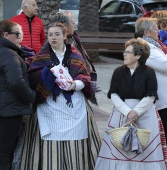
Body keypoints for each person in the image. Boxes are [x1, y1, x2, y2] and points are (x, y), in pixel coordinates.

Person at [20, 22, 101, 170]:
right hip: (49, 103)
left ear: (65, 36)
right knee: (51, 143)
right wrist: (47, 76)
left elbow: (85, 78)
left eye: (57, 34)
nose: (53, 37)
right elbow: (32, 77)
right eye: (50, 35)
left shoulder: (75, 54)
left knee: (75, 140)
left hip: (73, 104)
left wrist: (75, 84)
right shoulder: (42, 56)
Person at [95, 38, 166, 170]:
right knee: (118, 150)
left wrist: (136, 112)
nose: (124, 54)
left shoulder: (149, 72)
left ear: (138, 55)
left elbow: (150, 95)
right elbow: (114, 94)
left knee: (145, 150)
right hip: (121, 114)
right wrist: (128, 112)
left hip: (145, 115)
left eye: (128, 52)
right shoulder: (119, 72)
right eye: (125, 51)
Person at [0, 20, 36, 170]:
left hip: (5, 106)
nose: (21, 38)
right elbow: (16, 82)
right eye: (18, 34)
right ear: (6, 35)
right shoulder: (8, 54)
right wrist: (32, 97)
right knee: (6, 149)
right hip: (10, 108)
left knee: (4, 148)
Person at [51, 11, 101, 105]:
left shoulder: (74, 39)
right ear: (65, 26)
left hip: (77, 86)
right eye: (72, 21)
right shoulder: (63, 43)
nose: (74, 24)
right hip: (65, 91)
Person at [135, 17, 167, 144]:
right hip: (159, 99)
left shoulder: (155, 45)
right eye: (155, 28)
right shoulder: (145, 48)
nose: (158, 31)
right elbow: (165, 65)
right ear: (146, 32)